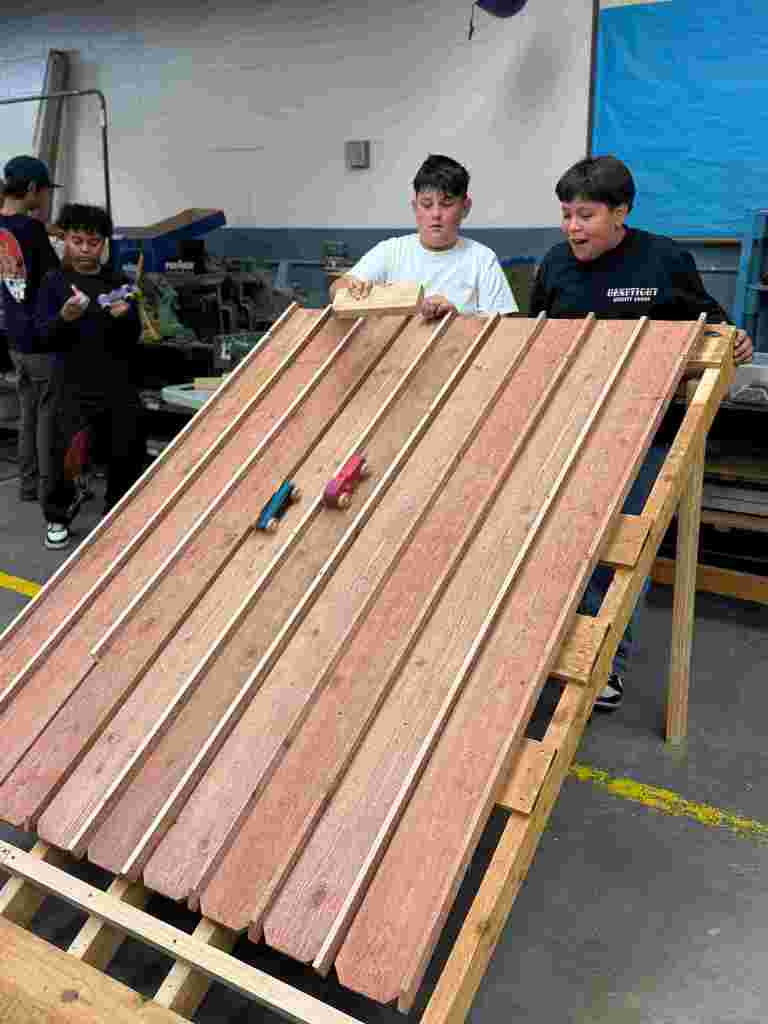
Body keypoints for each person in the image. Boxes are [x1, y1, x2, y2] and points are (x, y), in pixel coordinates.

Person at [530, 155, 753, 711]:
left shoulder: (664, 261)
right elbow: (534, 340)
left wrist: (735, 341)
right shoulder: (555, 265)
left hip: (650, 429)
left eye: (585, 215)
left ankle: (604, 664)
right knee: (562, 539)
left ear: (621, 212)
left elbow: (712, 327)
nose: (572, 228)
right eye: (565, 215)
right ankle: (551, 652)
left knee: (619, 547)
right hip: (576, 424)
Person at [35, 203, 145, 550]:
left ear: (104, 244)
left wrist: (126, 316)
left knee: (126, 450)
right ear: (64, 239)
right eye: (77, 240)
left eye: (93, 242)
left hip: (117, 383)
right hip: (70, 385)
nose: (85, 249)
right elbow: (42, 337)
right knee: (62, 454)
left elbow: (134, 336)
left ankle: (119, 512)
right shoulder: (53, 283)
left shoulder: (120, 283)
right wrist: (64, 318)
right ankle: (57, 516)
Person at [330, 154, 518, 319]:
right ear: (415, 207)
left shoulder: (482, 259)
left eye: (446, 204)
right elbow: (337, 289)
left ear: (465, 207)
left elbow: (501, 330)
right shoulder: (390, 251)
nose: (436, 214)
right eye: (427, 204)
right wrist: (347, 288)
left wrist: (456, 319)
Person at [0, 155, 61, 501]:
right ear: (34, 189)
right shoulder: (32, 229)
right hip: (40, 340)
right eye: (45, 191)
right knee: (47, 417)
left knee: (27, 415)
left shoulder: (3, 226)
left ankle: (27, 485)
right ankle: (47, 487)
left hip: (14, 338)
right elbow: (55, 278)